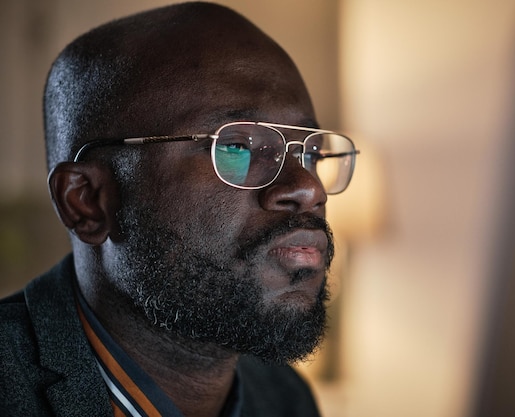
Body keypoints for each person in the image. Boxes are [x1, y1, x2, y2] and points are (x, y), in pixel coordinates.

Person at [0, 2, 358, 416]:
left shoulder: (282, 396)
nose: (308, 187)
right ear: (88, 201)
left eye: (312, 152)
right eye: (236, 147)